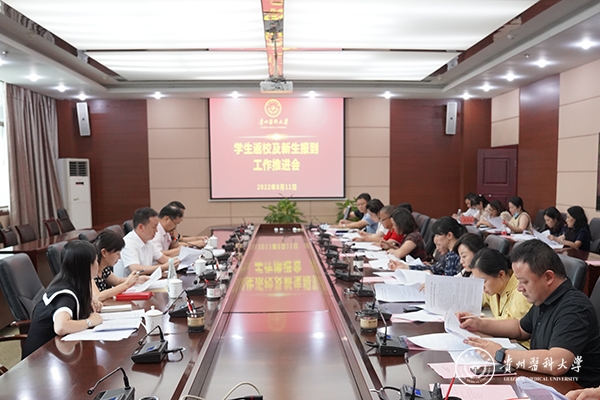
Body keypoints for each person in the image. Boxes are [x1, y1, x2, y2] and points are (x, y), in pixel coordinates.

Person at [459, 240, 600, 388]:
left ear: (548, 277)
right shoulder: (544, 298)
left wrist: (501, 354)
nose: (519, 288)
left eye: (524, 282)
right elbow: (520, 328)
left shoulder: (574, 308)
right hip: (542, 381)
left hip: (573, 390)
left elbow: (557, 363)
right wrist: (480, 324)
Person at [22, 241, 103, 358]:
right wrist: (90, 321)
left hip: (55, 354)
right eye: (95, 261)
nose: (97, 264)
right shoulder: (65, 294)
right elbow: (61, 327)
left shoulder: (70, 281)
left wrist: (87, 304)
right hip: (40, 360)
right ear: (86, 266)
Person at [459, 248, 531, 320]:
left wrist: (480, 322)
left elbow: (512, 322)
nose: (481, 287)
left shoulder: (521, 291)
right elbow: (474, 299)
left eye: (484, 281)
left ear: (501, 274)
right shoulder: (494, 287)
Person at [113, 207, 178, 277]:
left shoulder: (148, 241)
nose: (156, 231)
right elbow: (135, 269)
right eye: (154, 227)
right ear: (141, 227)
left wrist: (177, 261)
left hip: (144, 281)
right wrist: (163, 267)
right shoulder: (128, 242)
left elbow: (163, 259)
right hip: (128, 283)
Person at [390, 216, 462, 274]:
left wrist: (433, 278)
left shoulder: (456, 255)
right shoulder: (449, 255)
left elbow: (449, 281)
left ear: (449, 235)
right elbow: (433, 269)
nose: (435, 239)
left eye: (437, 235)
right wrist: (406, 267)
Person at [93, 230, 149, 302]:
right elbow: (98, 296)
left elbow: (118, 281)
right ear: (104, 252)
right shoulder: (90, 270)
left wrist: (136, 280)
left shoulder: (104, 269)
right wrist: (126, 284)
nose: (119, 257)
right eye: (117, 253)